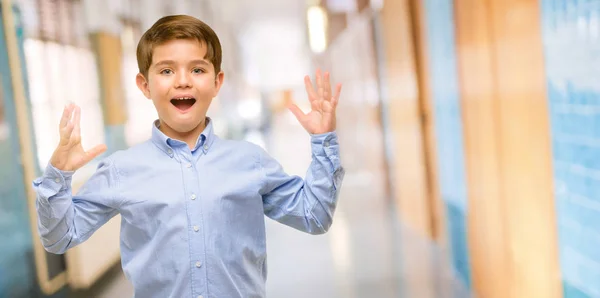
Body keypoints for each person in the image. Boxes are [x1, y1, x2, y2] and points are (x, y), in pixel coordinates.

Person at [32, 14, 345, 298]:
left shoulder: (250, 161)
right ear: (145, 85)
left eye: (197, 69)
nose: (183, 80)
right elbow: (59, 238)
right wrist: (58, 174)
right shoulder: (121, 170)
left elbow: (314, 216)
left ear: (216, 82)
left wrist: (323, 142)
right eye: (166, 70)